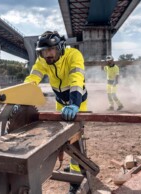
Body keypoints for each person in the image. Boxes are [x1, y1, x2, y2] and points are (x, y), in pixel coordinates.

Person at [24, 31, 87, 194]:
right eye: (44, 52)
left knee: (75, 139)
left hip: (77, 101)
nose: (48, 55)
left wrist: (75, 105)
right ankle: (69, 163)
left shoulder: (74, 55)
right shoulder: (42, 61)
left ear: (60, 47)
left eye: (51, 50)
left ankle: (76, 174)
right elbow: (32, 80)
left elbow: (76, 80)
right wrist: (21, 97)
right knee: (60, 138)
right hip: (60, 103)